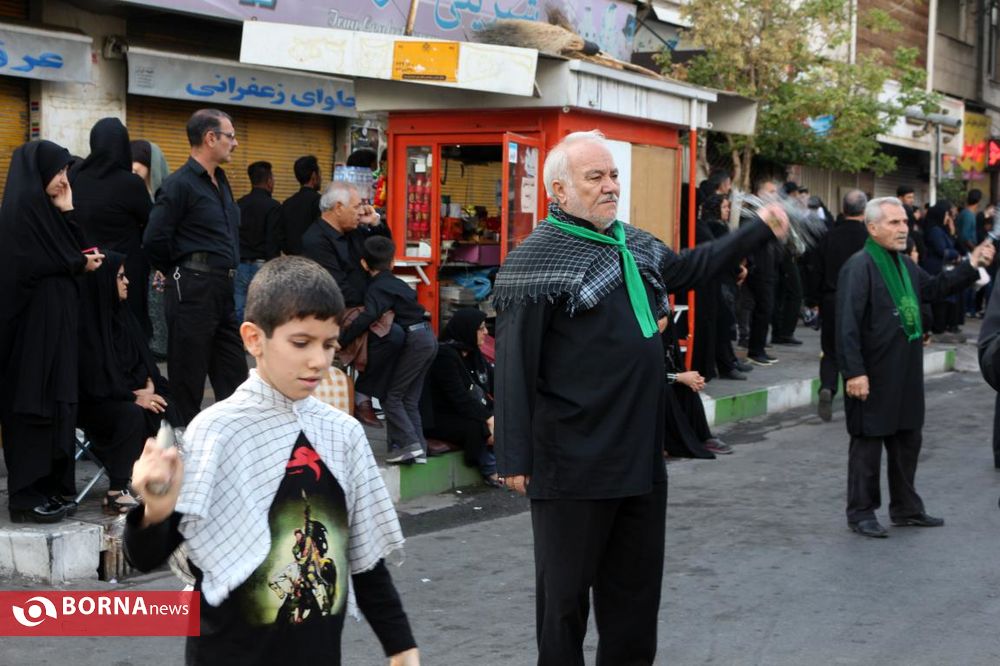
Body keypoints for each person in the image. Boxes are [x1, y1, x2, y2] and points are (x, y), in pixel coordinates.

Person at [493, 130, 788, 664]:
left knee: (634, 597)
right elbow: (515, 363)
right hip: (573, 460)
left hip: (639, 455)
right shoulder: (534, 260)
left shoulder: (634, 244)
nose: (611, 186)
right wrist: (514, 455)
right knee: (564, 602)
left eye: (613, 175)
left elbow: (691, 268)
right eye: (595, 177)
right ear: (559, 190)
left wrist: (756, 232)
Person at [123, 256, 419, 665]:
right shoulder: (218, 431)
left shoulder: (342, 433)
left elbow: (364, 557)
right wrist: (156, 508)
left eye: (329, 344)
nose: (318, 360)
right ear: (253, 339)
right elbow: (146, 555)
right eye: (301, 342)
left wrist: (401, 647)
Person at [836, 196, 995, 538]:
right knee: (868, 443)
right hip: (872, 373)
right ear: (872, 227)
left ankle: (906, 508)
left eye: (905, 222)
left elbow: (935, 288)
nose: (903, 229)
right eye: (894, 223)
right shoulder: (859, 266)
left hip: (905, 371)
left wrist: (971, 263)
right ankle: (861, 512)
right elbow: (847, 324)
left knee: (908, 440)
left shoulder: (905, 265)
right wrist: (854, 372)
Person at [0, 140, 104, 523]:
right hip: (29, 338)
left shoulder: (50, 215)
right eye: (58, 172)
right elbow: (27, 266)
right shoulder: (17, 216)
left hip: (57, 333)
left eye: (65, 172)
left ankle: (50, 488)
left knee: (59, 408)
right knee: (32, 410)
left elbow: (87, 255)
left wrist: (69, 211)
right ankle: (25, 499)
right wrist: (74, 262)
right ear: (38, 173)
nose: (63, 180)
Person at [143, 108, 248, 426]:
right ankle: (184, 445)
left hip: (224, 288)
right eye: (230, 136)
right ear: (210, 138)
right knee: (188, 379)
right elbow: (154, 239)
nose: (235, 143)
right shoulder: (180, 184)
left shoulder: (221, 182)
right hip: (193, 287)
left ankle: (234, 441)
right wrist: (177, 269)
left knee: (235, 377)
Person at [77, 252, 173, 514]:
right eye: (120, 277)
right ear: (104, 282)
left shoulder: (124, 317)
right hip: (96, 402)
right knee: (131, 414)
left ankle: (158, 479)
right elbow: (93, 381)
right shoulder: (86, 325)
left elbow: (143, 361)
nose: (127, 282)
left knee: (165, 403)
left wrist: (149, 387)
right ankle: (116, 491)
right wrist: (133, 397)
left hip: (130, 394)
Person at [302, 180, 400, 428]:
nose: (361, 211)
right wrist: (373, 302)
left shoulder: (355, 232)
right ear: (338, 207)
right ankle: (363, 396)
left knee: (415, 331)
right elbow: (338, 287)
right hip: (337, 309)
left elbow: (383, 253)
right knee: (392, 335)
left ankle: (385, 398)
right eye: (356, 207)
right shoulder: (316, 239)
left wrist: (375, 223)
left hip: (366, 304)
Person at [340, 237, 437, 464]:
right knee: (408, 399)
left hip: (415, 341)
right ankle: (419, 451)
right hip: (428, 336)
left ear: (364, 264)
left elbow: (369, 315)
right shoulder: (399, 284)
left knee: (391, 398)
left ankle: (409, 445)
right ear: (392, 262)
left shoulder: (376, 288)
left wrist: (343, 339)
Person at [71, 117, 153, 337]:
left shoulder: (75, 177)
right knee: (127, 334)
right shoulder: (131, 183)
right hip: (124, 273)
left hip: (86, 268)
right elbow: (151, 222)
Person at [807, 189, 869, 422]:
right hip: (861, 301)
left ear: (843, 209)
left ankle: (828, 386)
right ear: (864, 210)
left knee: (831, 350)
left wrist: (813, 301)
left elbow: (815, 270)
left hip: (832, 300)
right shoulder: (869, 238)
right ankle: (857, 397)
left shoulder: (829, 236)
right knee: (860, 348)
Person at [421, 308, 501, 486]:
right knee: (479, 427)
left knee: (505, 419)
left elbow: (494, 384)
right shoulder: (444, 356)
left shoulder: (473, 353)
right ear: (467, 329)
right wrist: (488, 418)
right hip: (441, 417)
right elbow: (459, 398)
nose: (486, 332)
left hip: (465, 410)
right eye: (481, 328)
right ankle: (490, 469)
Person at [661, 316, 730, 458]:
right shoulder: (636, 333)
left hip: (657, 377)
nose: (661, 322)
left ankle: (702, 437)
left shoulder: (666, 329)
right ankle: (673, 442)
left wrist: (689, 378)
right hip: (632, 388)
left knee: (687, 386)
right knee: (664, 389)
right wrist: (679, 377)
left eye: (663, 317)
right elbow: (641, 374)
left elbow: (670, 364)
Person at [131, 139, 171, 358]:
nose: (133, 174)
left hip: (159, 266)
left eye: (137, 170)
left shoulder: (167, 192)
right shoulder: (133, 191)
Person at [742, 179, 783, 365]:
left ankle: (759, 348)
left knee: (766, 308)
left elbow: (778, 233)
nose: (775, 195)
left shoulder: (769, 212)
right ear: (760, 193)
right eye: (771, 191)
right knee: (762, 308)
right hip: (758, 268)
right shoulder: (753, 213)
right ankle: (755, 351)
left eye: (775, 191)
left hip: (768, 266)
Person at [235, 160, 281, 321]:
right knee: (262, 310)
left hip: (240, 265)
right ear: (269, 181)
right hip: (262, 266)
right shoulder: (273, 206)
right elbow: (272, 241)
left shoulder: (240, 204)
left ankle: (240, 335)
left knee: (239, 308)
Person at [279, 155, 322, 255]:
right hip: (313, 259)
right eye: (320, 174)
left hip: (292, 259)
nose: (321, 178)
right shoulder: (320, 202)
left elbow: (281, 236)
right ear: (314, 175)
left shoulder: (287, 203)